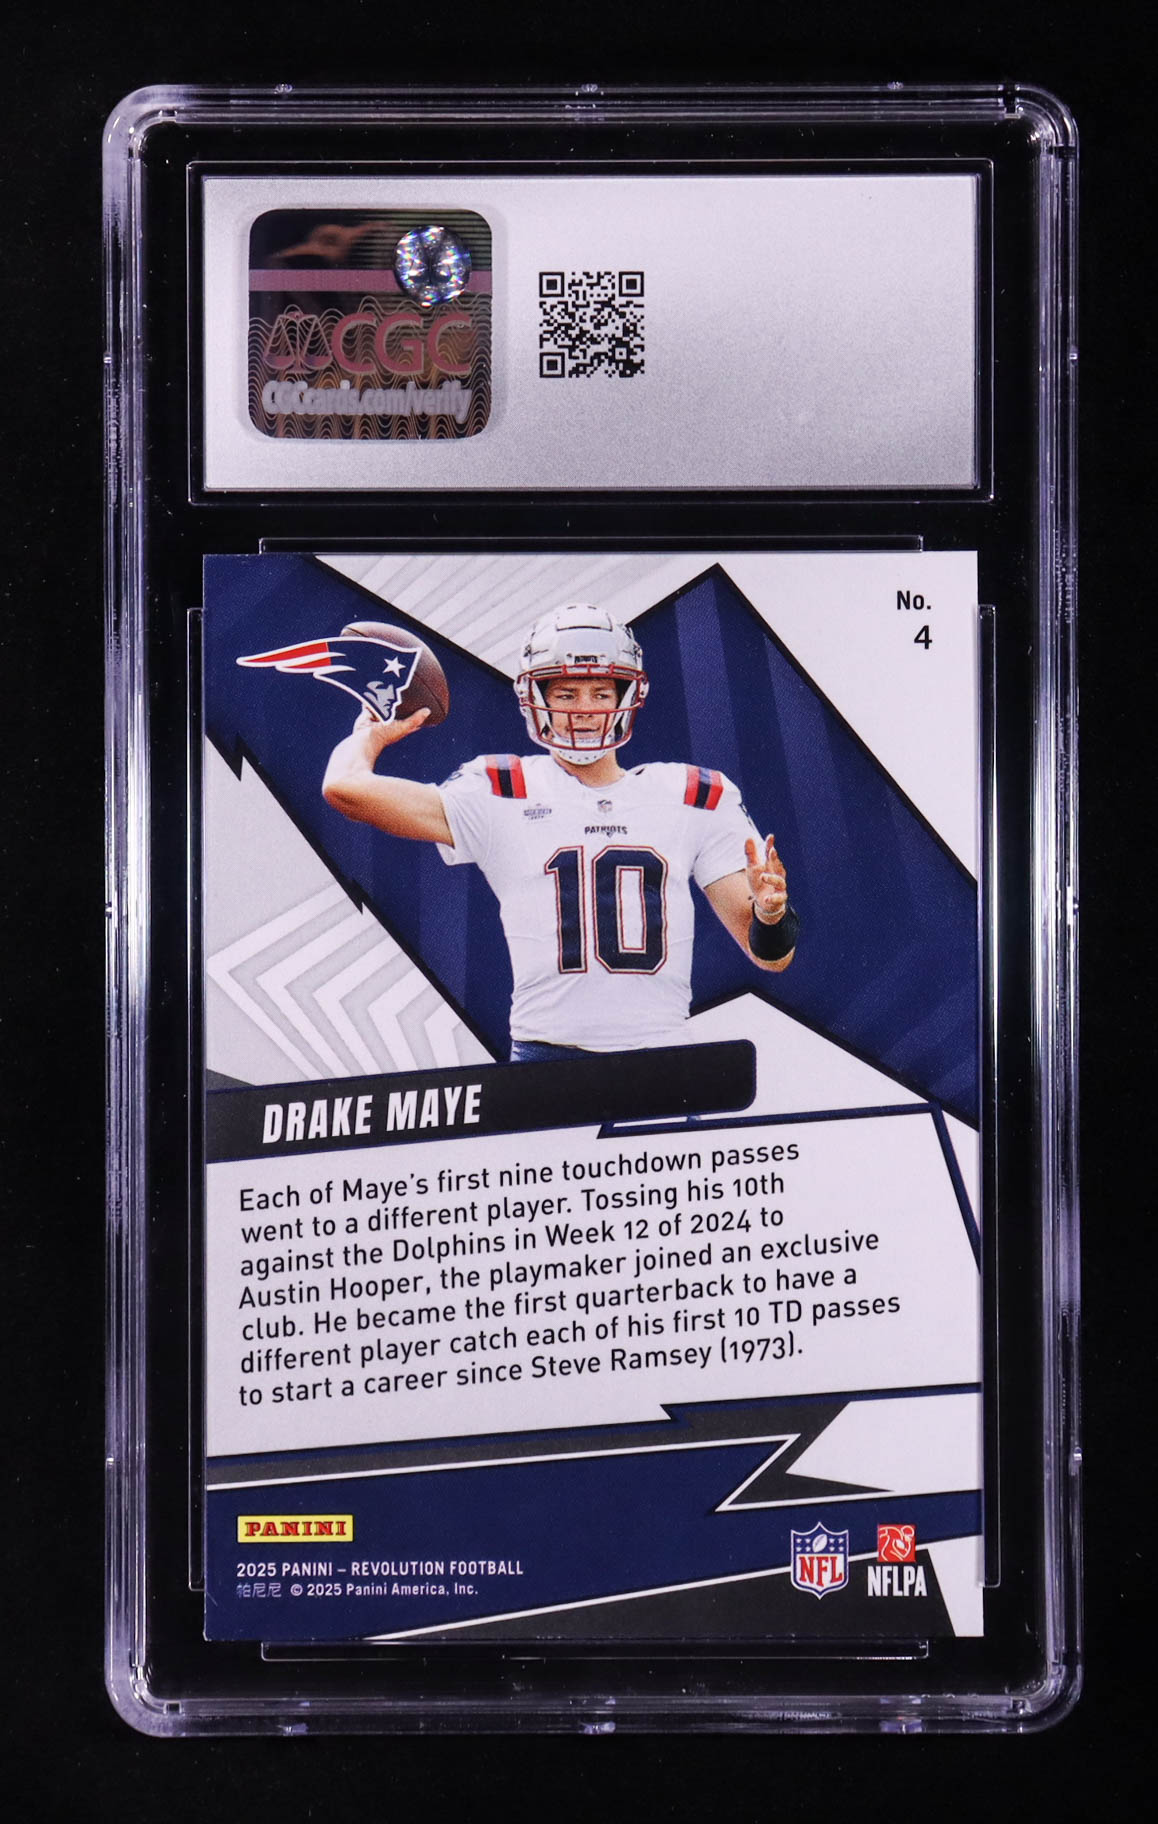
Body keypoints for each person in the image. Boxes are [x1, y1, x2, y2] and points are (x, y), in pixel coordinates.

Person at [322, 604, 797, 1060]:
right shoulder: (500, 789)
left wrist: (771, 914)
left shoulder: (694, 794)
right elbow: (346, 788)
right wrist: (369, 735)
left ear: (626, 697)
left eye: (600, 693)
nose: (584, 709)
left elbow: (771, 958)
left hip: (662, 1056)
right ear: (537, 698)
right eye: (566, 694)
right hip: (545, 1058)